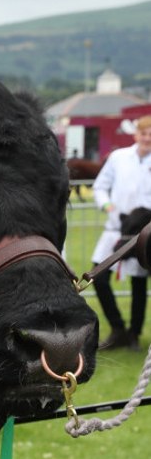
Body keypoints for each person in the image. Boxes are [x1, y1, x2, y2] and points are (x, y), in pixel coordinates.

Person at [91, 115, 151, 350]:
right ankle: (117, 328)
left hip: (144, 233)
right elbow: (100, 187)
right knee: (99, 276)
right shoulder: (118, 158)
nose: (147, 138)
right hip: (115, 228)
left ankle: (133, 333)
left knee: (139, 282)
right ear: (136, 134)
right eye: (144, 133)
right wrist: (107, 205)